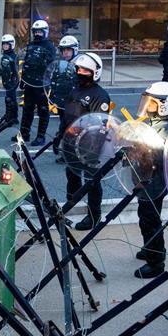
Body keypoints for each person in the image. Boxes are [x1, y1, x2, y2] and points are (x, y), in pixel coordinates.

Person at [133, 81, 168, 279]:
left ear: (163, 105)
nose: (147, 104)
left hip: (155, 182)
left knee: (150, 220)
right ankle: (149, 247)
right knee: (145, 216)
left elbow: (161, 158)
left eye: (151, 102)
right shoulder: (152, 124)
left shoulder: (166, 130)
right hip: (146, 180)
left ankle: (156, 261)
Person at [63, 53, 110, 231]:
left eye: (85, 70)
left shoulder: (100, 96)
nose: (80, 72)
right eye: (78, 69)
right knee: (72, 173)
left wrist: (93, 148)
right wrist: (62, 135)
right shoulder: (74, 90)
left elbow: (100, 124)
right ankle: (71, 202)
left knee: (92, 181)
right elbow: (67, 116)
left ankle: (93, 216)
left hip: (90, 144)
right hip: (71, 142)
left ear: (94, 73)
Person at [16, 19, 56, 146]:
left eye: (40, 31)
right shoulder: (31, 45)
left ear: (45, 32)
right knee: (27, 109)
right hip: (30, 83)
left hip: (42, 84)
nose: (38, 34)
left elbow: (51, 65)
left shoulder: (49, 46)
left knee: (43, 110)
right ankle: (24, 134)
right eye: (36, 32)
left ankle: (41, 136)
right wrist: (23, 80)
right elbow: (27, 63)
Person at [50, 35, 79, 161]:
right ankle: (66, 151)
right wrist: (53, 94)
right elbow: (56, 80)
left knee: (71, 129)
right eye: (63, 50)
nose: (65, 53)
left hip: (75, 104)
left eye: (68, 50)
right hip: (63, 102)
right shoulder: (62, 65)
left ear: (74, 50)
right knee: (64, 127)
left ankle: (70, 155)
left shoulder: (80, 64)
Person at [0, 34, 20, 129]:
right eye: (3, 44)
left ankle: (12, 118)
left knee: (10, 99)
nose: (5, 46)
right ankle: (10, 115)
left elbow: (15, 70)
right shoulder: (4, 55)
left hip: (12, 80)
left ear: (12, 44)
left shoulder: (13, 56)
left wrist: (15, 81)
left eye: (7, 44)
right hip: (6, 80)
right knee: (9, 98)